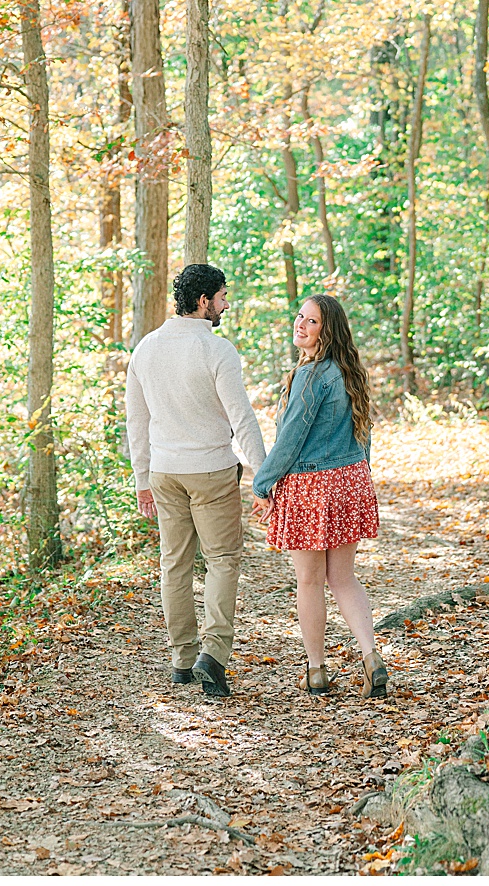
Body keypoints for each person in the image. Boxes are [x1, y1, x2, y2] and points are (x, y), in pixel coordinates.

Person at [125, 263, 267, 698]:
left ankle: (182, 660)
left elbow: (136, 421)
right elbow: (241, 418)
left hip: (165, 472)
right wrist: (263, 474)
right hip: (210, 471)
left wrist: (142, 479)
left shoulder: (146, 348)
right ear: (204, 301)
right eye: (222, 297)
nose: (226, 305)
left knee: (175, 563)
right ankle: (213, 654)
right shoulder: (217, 350)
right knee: (222, 560)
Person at [250, 293, 387, 698]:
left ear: (328, 331)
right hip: (350, 480)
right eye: (300, 316)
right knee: (343, 578)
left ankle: (315, 670)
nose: (301, 324)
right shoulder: (349, 372)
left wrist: (262, 484)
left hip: (310, 486)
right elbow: (363, 435)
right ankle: (371, 657)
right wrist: (359, 475)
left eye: (311, 321)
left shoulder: (310, 377)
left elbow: (291, 439)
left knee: (309, 581)